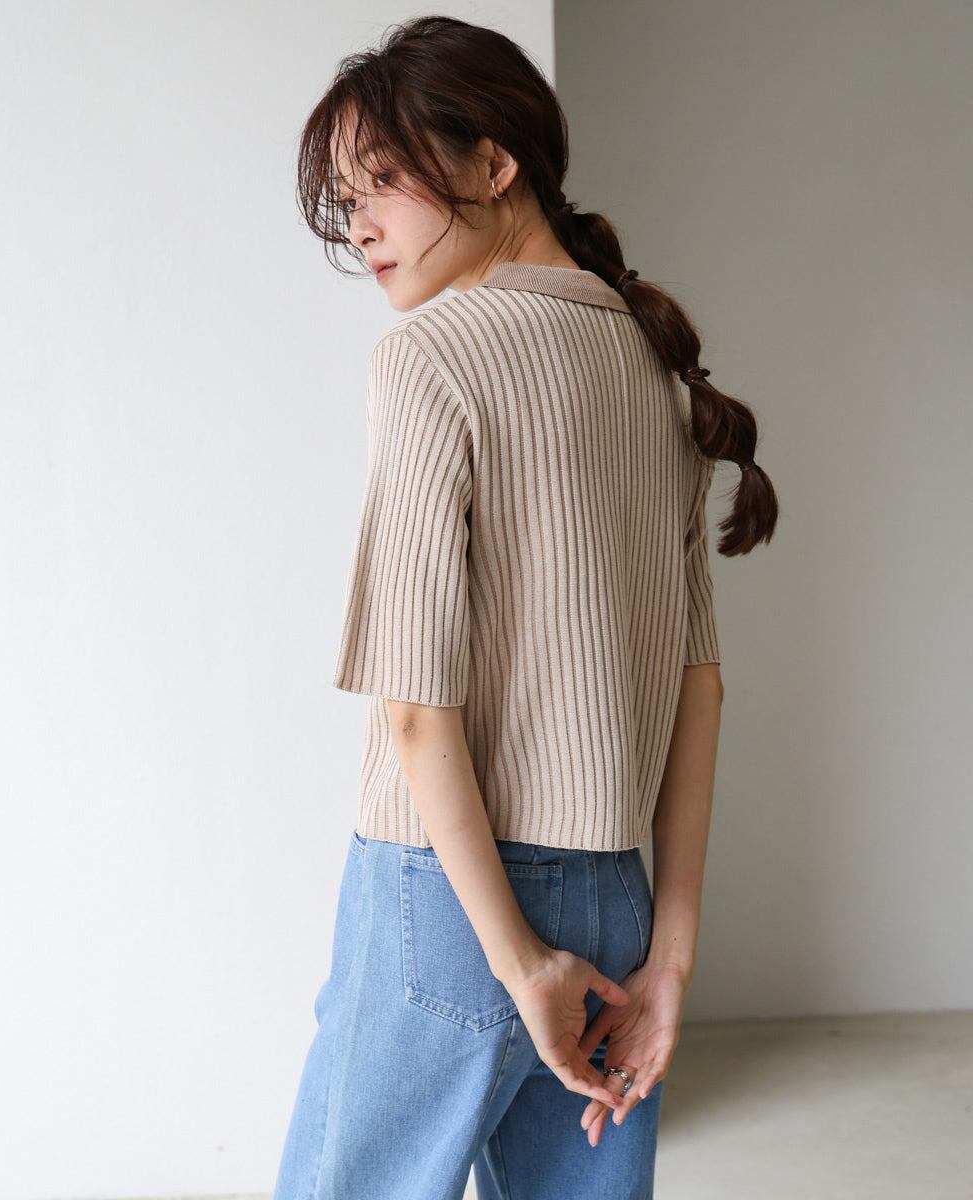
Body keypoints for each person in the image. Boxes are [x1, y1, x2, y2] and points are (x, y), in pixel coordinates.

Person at [274, 15, 778, 1200]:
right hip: (613, 901)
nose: (359, 224)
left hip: (446, 901)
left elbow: (416, 713)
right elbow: (698, 688)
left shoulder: (431, 357)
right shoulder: (654, 370)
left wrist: (515, 964)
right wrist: (667, 962)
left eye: (380, 180)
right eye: (344, 199)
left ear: (494, 163)